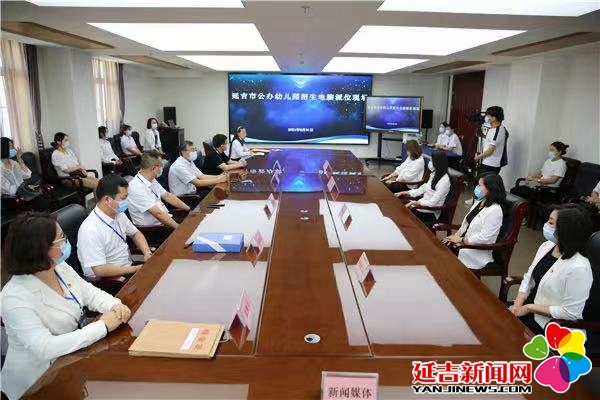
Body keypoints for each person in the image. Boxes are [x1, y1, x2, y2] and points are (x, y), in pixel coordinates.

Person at [1, 212, 131, 400]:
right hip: (38, 381)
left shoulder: (60, 268)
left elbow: (91, 293)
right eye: (61, 238)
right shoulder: (14, 297)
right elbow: (45, 347)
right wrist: (102, 326)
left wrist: (114, 305)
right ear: (40, 249)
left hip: (72, 360)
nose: (66, 242)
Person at [509, 206, 593, 335]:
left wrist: (529, 308)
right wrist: (517, 306)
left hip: (552, 326)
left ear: (565, 230)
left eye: (551, 222)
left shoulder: (579, 267)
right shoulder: (547, 246)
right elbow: (528, 278)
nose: (546, 225)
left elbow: (570, 312)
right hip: (527, 310)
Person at [77, 174, 152, 282]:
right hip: (108, 280)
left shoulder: (119, 214)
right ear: (107, 199)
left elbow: (136, 234)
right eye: (123, 198)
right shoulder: (90, 230)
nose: (127, 201)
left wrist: (147, 253)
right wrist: (135, 269)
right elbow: (99, 270)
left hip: (128, 267)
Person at [442, 174, 506, 269]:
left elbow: (485, 238)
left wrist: (461, 240)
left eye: (480, 185)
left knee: (442, 257)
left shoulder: (495, 210)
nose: (477, 188)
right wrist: (454, 237)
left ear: (490, 188)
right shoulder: (480, 202)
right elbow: (465, 225)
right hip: (463, 243)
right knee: (440, 247)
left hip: (475, 250)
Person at [127, 150, 190, 230]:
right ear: (153, 168)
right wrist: (180, 229)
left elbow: (167, 196)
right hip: (155, 229)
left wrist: (189, 209)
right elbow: (158, 214)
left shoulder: (151, 179)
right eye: (161, 166)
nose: (162, 169)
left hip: (166, 219)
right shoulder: (135, 187)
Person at [395, 151, 451, 224]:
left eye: (431, 161)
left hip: (429, 212)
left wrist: (416, 203)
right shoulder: (434, 174)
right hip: (421, 206)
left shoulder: (444, 181)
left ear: (437, 163)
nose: (430, 163)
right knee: (397, 205)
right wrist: (403, 193)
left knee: (400, 214)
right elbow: (422, 189)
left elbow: (432, 203)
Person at [474, 106, 508, 175]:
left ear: (494, 118)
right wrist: (481, 134)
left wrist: (477, 157)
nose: (486, 117)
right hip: (487, 162)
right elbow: (490, 140)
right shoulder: (492, 128)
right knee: (480, 180)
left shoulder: (498, 131)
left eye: (488, 115)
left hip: (491, 164)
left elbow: (490, 150)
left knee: (483, 181)